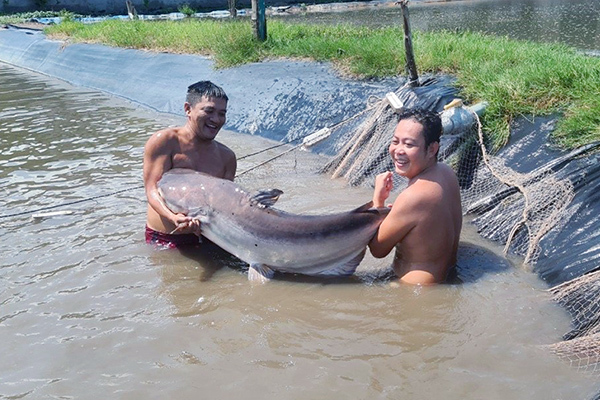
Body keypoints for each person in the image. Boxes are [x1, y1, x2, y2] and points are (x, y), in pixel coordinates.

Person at [368, 108, 462, 285]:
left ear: (432, 149)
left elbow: (377, 249)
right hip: (447, 275)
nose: (398, 150)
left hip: (413, 290)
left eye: (409, 145)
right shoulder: (446, 173)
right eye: (395, 141)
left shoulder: (413, 196)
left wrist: (378, 202)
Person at [143, 81, 236, 247]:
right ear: (188, 109)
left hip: (210, 239)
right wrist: (173, 218)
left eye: (222, 114)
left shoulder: (227, 157)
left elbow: (226, 207)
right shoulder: (165, 141)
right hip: (166, 238)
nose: (216, 119)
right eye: (209, 111)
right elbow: (152, 190)